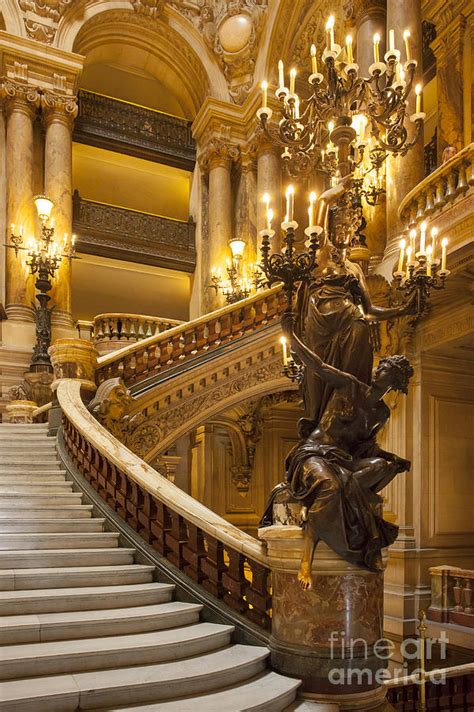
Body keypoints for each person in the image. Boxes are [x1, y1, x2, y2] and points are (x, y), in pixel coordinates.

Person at [262, 313, 413, 590]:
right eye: (381, 367)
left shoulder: (381, 413)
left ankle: (337, 513)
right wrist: (292, 336)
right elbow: (317, 366)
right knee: (330, 486)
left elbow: (366, 447)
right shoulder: (350, 385)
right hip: (314, 454)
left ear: (394, 381)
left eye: (387, 370)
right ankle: (308, 554)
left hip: (343, 459)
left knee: (380, 467)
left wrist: (393, 460)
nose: (379, 370)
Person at [296, 179, 416, 434]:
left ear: (353, 233)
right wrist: (334, 193)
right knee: (318, 377)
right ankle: (319, 424)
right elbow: (320, 205)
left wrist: (402, 310)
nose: (342, 231)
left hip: (352, 323)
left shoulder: (354, 269)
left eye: (348, 228)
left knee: (350, 377)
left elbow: (370, 310)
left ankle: (347, 415)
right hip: (321, 323)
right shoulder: (321, 252)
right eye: (338, 226)